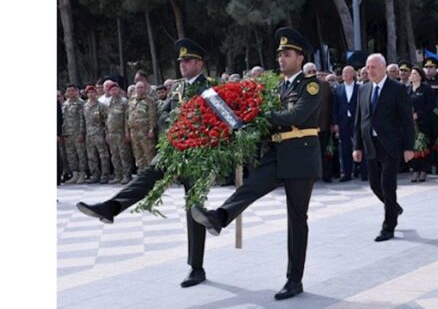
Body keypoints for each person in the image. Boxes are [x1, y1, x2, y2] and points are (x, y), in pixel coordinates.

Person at [188, 27, 321, 300]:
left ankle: (294, 279)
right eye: (280, 55)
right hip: (276, 152)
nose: (281, 59)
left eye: (287, 54)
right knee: (249, 188)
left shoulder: (311, 85)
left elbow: (296, 114)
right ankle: (219, 217)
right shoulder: (277, 87)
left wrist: (259, 115)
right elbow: (267, 119)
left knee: (297, 220)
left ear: (300, 57)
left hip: (301, 154)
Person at [77, 38, 216, 288]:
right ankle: (111, 207)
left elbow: (222, 120)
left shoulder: (210, 89)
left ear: (199, 63)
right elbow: (163, 115)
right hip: (174, 151)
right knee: (146, 176)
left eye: (187, 61)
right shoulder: (178, 89)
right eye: (180, 61)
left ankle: (196, 267)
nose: (182, 65)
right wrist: (173, 127)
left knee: (193, 208)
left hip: (198, 154)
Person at [353, 53, 415, 242]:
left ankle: (388, 227)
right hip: (371, 145)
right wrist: (357, 146)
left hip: (391, 146)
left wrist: (408, 147)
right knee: (374, 184)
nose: (369, 71)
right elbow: (359, 120)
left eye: (373, 67)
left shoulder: (396, 89)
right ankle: (394, 208)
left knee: (388, 186)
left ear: (383, 68)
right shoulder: (363, 90)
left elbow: (406, 121)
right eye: (367, 67)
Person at [332, 65, 362, 182]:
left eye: (347, 73)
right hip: (343, 121)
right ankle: (346, 172)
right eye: (343, 73)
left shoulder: (359, 88)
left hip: (356, 121)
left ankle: (362, 171)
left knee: (359, 145)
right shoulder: (337, 89)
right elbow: (335, 107)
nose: (344, 75)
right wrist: (335, 123)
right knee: (345, 148)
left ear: (353, 74)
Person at [103, 81, 132, 184]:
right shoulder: (109, 103)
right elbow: (107, 119)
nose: (114, 91)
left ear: (119, 90)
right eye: (111, 90)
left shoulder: (124, 102)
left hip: (121, 133)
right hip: (112, 133)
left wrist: (127, 132)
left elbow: (126, 118)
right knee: (114, 155)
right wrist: (107, 133)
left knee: (124, 154)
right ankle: (118, 175)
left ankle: (126, 175)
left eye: (115, 89)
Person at [126, 81, 158, 170]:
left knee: (149, 153)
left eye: (141, 87)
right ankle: (141, 173)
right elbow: (128, 116)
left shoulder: (149, 100)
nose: (139, 89)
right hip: (134, 132)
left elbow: (152, 116)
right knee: (138, 154)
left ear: (145, 89)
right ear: (135, 89)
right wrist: (127, 131)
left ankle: (151, 174)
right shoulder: (131, 100)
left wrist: (151, 130)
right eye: (138, 88)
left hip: (145, 131)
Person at [83, 85, 111, 184]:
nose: (91, 94)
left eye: (92, 92)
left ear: (96, 93)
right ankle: (95, 175)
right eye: (89, 93)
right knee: (91, 156)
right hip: (89, 135)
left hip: (99, 134)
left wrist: (107, 133)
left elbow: (106, 121)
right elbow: (84, 121)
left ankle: (105, 175)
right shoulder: (85, 106)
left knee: (103, 156)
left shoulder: (101, 106)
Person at [407, 66, 430, 182]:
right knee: (413, 146)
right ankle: (415, 170)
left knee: (422, 146)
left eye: (415, 74)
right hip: (410, 123)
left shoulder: (425, 89)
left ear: (420, 76)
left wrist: (419, 114)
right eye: (412, 73)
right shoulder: (407, 89)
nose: (412, 75)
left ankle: (424, 170)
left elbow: (429, 105)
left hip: (423, 122)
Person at [61, 84, 87, 184]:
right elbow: (64, 119)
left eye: (73, 90)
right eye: (69, 91)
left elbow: (82, 119)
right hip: (68, 133)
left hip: (77, 133)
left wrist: (81, 132)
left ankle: (82, 174)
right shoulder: (65, 104)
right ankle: (74, 174)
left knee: (81, 154)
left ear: (77, 91)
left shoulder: (80, 103)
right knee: (71, 155)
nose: (71, 92)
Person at [423, 58, 438, 175]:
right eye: (426, 67)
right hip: (425, 118)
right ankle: (427, 166)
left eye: (431, 67)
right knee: (426, 142)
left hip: (437, 117)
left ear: (436, 69)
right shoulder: (422, 82)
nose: (428, 69)